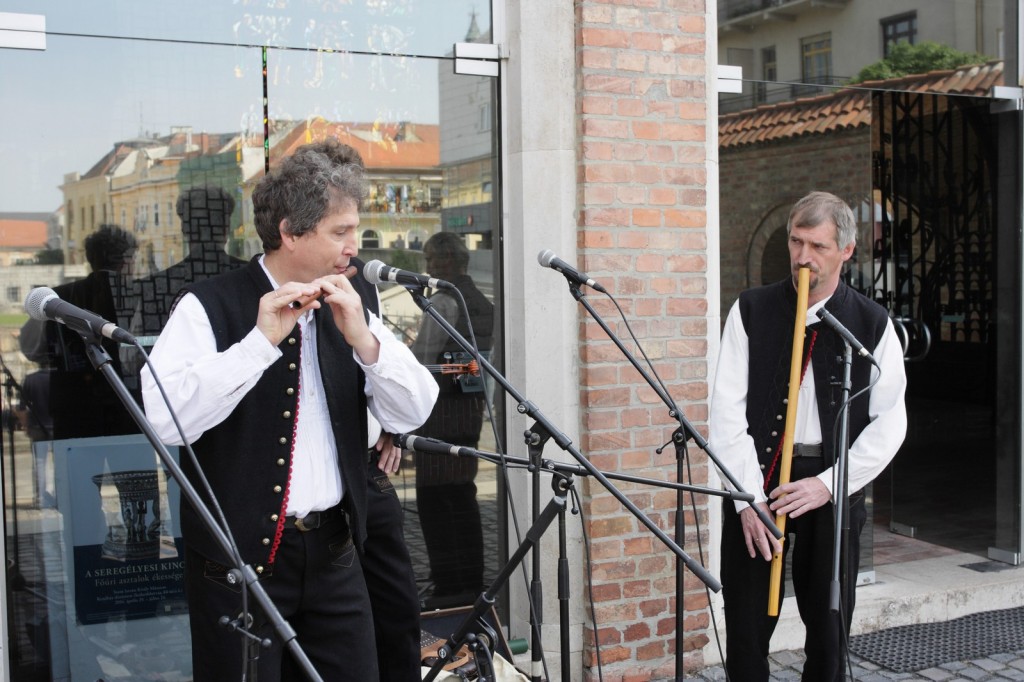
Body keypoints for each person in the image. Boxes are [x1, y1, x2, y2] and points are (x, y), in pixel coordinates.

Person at [140, 148, 438, 681]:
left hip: (335, 557)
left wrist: (365, 341)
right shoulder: (208, 304)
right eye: (340, 231)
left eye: (355, 230)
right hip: (238, 572)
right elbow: (164, 418)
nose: (354, 246)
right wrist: (258, 345)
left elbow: (414, 408)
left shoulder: (355, 300)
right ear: (290, 232)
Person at [709, 191, 907, 681]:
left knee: (829, 630)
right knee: (747, 627)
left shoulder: (872, 324)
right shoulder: (751, 310)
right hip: (758, 477)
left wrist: (829, 484)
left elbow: (890, 422)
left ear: (846, 250)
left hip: (831, 480)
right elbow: (726, 412)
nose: (803, 257)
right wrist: (748, 500)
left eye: (818, 246)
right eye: (797, 242)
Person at [293, 137, 425, 682]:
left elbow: (392, 372)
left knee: (396, 608)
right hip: (315, 493)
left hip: (367, 476)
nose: (352, 243)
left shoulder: (365, 286)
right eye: (339, 227)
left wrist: (389, 424)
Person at [410, 231, 494, 603]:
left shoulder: (444, 302)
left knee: (435, 501)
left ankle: (448, 586)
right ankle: (470, 580)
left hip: (439, 413)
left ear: (447, 261)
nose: (429, 267)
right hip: (468, 412)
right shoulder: (480, 300)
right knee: (462, 497)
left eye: (431, 259)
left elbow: (422, 359)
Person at [20, 224, 139, 440]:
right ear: (128, 260)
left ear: (90, 259)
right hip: (130, 409)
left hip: (74, 409)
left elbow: (31, 349)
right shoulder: (141, 295)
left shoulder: (56, 298)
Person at [132, 185, 246, 341]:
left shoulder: (155, 286)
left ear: (184, 229)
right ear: (226, 228)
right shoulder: (251, 277)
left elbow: (147, 346)